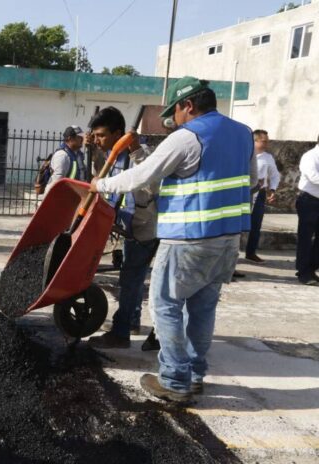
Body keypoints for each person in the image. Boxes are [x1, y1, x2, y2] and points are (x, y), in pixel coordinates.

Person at [89, 77, 257, 403]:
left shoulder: (188, 137)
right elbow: (249, 180)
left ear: (188, 106)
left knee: (165, 305)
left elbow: (142, 175)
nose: (173, 118)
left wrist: (99, 186)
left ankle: (175, 380)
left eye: (175, 111)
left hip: (187, 238)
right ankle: (194, 375)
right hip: (227, 239)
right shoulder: (243, 133)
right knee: (203, 308)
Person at [85, 107, 159, 349]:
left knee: (130, 280)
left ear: (119, 133)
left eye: (101, 135)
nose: (97, 140)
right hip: (130, 226)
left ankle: (120, 333)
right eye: (94, 135)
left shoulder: (141, 154)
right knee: (133, 279)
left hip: (144, 229)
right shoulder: (114, 157)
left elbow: (150, 183)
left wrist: (136, 148)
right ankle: (132, 321)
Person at [245, 129, 281, 263]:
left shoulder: (268, 157)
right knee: (238, 225)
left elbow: (274, 175)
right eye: (263, 141)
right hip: (246, 192)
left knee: (256, 224)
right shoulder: (245, 154)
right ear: (254, 141)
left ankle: (251, 252)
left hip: (260, 194)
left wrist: (272, 189)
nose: (266, 144)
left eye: (267, 141)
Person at [295, 136, 319, 285]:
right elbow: (313, 177)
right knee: (305, 237)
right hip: (309, 201)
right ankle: (303, 272)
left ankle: (311, 268)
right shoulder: (310, 156)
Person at [45, 125, 86, 193]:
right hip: (59, 198)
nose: (82, 139)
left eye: (82, 137)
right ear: (70, 138)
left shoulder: (76, 155)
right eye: (79, 137)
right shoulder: (62, 156)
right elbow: (57, 182)